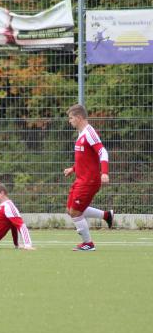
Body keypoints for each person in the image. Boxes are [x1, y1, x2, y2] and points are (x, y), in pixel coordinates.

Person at [64, 104, 114, 252]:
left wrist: (104, 172)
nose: (70, 121)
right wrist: (72, 169)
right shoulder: (81, 133)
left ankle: (88, 244)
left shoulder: (89, 133)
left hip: (89, 181)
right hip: (80, 179)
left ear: (79, 118)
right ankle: (106, 215)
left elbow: (102, 152)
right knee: (70, 210)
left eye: (71, 118)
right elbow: (85, 158)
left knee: (75, 212)